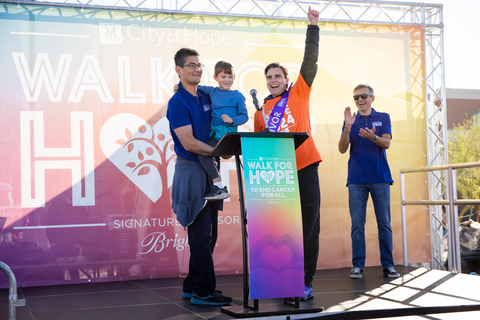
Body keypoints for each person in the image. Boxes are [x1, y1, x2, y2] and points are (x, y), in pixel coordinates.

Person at [254, 6, 321, 301]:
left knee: (308, 228)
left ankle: (304, 282)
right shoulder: (262, 110)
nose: (272, 80)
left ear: (286, 78)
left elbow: (310, 61)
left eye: (277, 75)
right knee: (282, 233)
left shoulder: (299, 92)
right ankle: (282, 281)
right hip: (278, 175)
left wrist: (313, 26)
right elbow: (259, 147)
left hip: (305, 166)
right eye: (268, 76)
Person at [166, 48, 233, 306]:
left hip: (209, 168)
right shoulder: (177, 102)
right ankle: (203, 292)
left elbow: (227, 93)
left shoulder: (205, 94)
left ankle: (191, 285)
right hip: (192, 170)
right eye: (191, 65)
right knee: (201, 235)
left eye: (199, 65)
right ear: (179, 70)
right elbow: (190, 143)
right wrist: (220, 150)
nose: (197, 69)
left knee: (209, 235)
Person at [338, 83, 400, 279]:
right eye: (356, 97)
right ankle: (358, 266)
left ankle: (388, 266)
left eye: (364, 96)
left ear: (372, 98)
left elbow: (387, 143)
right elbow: (341, 149)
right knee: (357, 224)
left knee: (384, 224)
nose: (360, 100)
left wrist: (374, 137)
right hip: (356, 180)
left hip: (380, 178)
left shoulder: (383, 117)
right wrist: (347, 127)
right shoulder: (351, 121)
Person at [191, 60, 248, 200]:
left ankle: (218, 187)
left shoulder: (238, 96)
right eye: (223, 77)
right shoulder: (212, 91)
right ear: (216, 77)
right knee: (203, 154)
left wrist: (232, 119)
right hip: (214, 136)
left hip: (227, 136)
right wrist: (178, 87)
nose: (227, 80)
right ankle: (217, 187)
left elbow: (244, 116)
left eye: (230, 77)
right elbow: (194, 87)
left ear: (234, 77)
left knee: (203, 154)